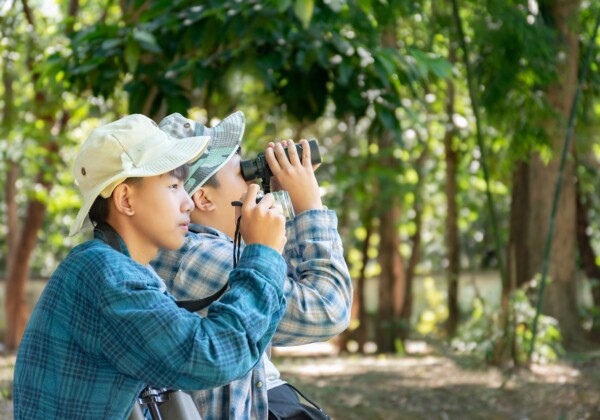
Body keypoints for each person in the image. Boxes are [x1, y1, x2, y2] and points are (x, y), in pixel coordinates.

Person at [13, 114, 289, 419]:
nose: (188, 203)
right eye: (173, 186)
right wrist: (263, 253)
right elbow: (211, 359)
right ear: (126, 200)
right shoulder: (105, 274)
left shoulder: (118, 268)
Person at [151, 111, 353, 419]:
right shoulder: (197, 257)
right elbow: (327, 310)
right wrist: (310, 205)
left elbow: (286, 282)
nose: (251, 181)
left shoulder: (201, 247)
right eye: (240, 172)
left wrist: (285, 202)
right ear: (203, 199)